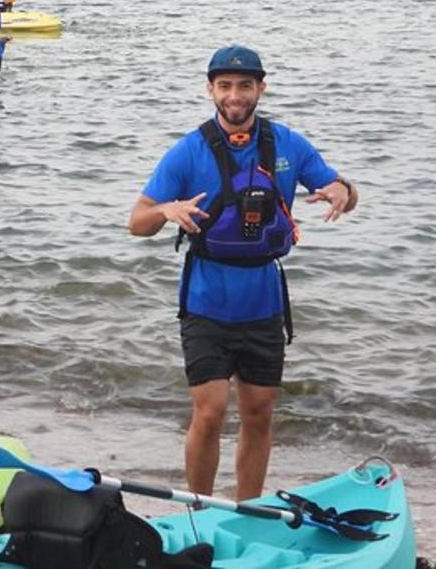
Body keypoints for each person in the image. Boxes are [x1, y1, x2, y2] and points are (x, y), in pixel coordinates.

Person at [127, 46, 358, 502]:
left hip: (263, 302)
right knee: (210, 413)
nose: (235, 95)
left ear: (261, 89)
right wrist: (166, 211)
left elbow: (343, 188)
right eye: (226, 85)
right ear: (211, 90)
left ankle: (247, 510)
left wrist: (341, 191)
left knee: (258, 413)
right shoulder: (188, 151)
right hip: (205, 301)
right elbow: (137, 222)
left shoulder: (287, 144)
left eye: (245, 85)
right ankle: (199, 509)